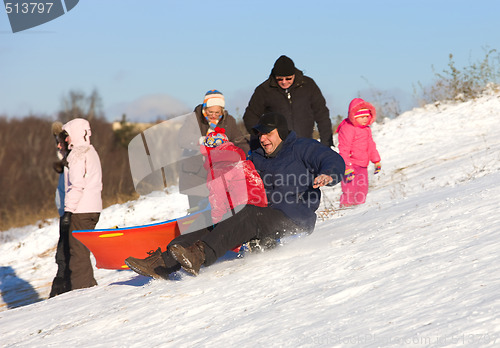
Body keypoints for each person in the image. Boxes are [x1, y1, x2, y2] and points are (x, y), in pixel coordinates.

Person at [168, 112, 345, 276]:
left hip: (294, 216)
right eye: (260, 135)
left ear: (281, 132)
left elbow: (331, 159)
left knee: (250, 214)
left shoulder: (302, 147)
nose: (263, 138)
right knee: (214, 216)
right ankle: (165, 261)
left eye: (268, 133)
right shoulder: (257, 156)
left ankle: (199, 255)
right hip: (263, 213)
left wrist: (329, 174)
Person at [124, 127, 268, 279]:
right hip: (257, 217)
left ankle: (164, 262)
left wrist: (218, 230)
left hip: (240, 220)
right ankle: (164, 260)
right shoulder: (242, 161)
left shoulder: (218, 168)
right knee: (207, 219)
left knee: (205, 222)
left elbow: (219, 206)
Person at [179, 89, 249, 210]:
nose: (214, 115)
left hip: (218, 173)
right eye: (210, 112)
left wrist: (245, 156)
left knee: (217, 207)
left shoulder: (229, 121)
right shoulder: (193, 118)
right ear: (205, 109)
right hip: (195, 173)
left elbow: (239, 141)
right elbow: (183, 139)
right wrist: (202, 141)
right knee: (198, 209)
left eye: (217, 112)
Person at [243, 55, 333, 149]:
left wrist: (326, 143)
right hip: (279, 149)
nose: (284, 82)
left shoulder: (308, 85)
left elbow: (322, 114)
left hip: (305, 144)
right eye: (280, 79)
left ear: (294, 75)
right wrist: (261, 138)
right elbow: (250, 116)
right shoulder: (264, 90)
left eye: (288, 78)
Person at [61, 118, 103, 290]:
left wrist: (68, 211)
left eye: (67, 135)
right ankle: (89, 285)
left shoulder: (77, 154)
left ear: (76, 134)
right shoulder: (91, 151)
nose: (66, 139)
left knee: (77, 252)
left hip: (80, 210)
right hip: (93, 208)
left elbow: (77, 185)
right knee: (82, 250)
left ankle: (81, 290)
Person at [336, 98, 381, 207]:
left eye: (367, 116)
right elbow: (344, 148)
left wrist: (376, 160)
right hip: (351, 164)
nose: (365, 119)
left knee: (363, 187)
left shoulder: (366, 129)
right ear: (354, 116)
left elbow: (371, 145)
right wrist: (347, 167)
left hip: (362, 164)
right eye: (362, 117)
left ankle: (359, 207)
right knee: (349, 188)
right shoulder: (348, 128)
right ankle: (346, 206)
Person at [49, 122, 72, 298]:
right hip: (64, 213)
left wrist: (69, 213)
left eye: (60, 142)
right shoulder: (65, 163)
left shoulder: (74, 162)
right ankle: (61, 291)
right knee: (62, 257)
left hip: (71, 213)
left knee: (65, 256)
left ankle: (62, 292)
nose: (57, 146)